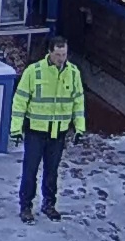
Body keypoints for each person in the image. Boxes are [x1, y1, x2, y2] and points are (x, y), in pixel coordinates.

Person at [9, 35, 86, 223]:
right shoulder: (33, 72)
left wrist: (80, 128)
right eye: (58, 54)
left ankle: (49, 204)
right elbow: (20, 101)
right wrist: (16, 129)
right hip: (36, 131)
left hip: (58, 133)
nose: (61, 58)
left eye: (64, 54)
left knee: (52, 172)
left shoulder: (73, 73)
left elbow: (78, 102)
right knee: (30, 171)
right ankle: (26, 206)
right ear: (49, 53)